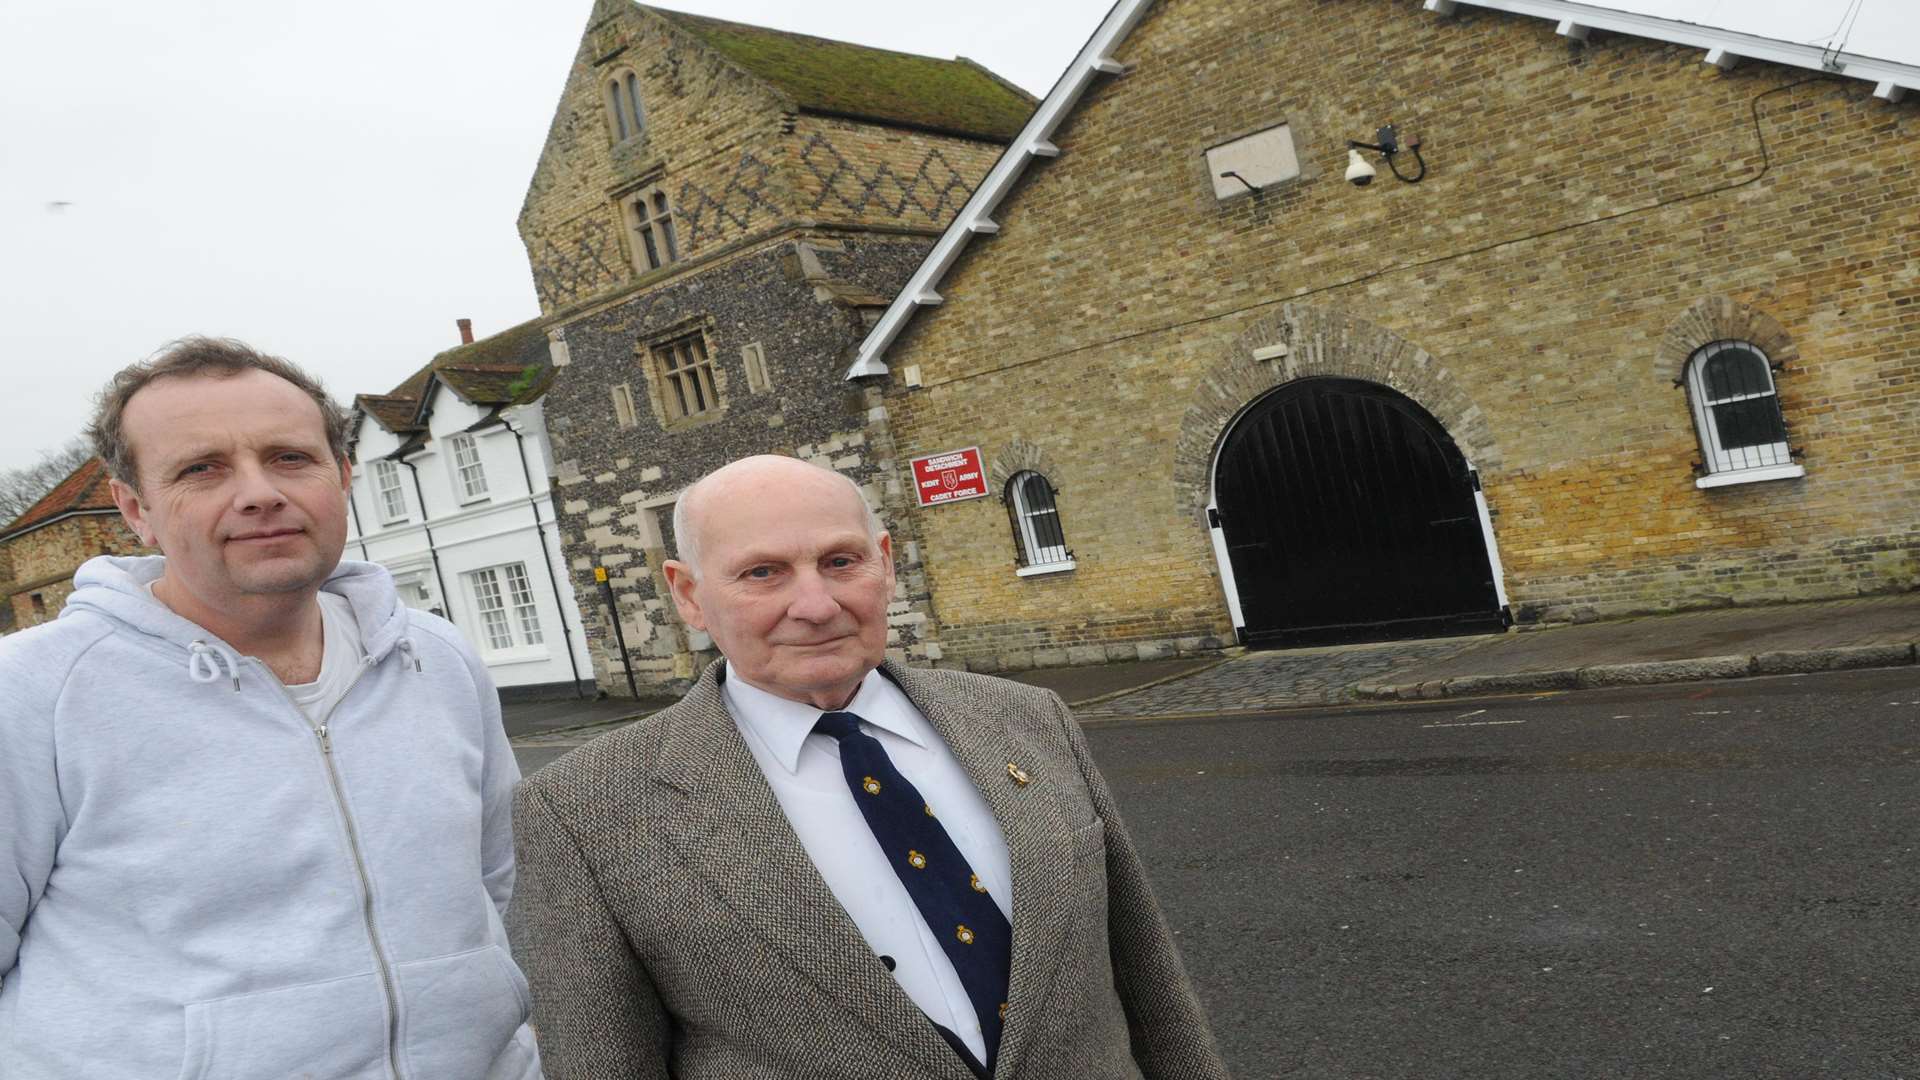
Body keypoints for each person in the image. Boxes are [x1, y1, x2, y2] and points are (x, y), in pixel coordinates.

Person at [511, 454, 1229, 1079]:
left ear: (884, 562)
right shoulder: (582, 810)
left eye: (840, 561)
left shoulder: (1028, 718)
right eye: (763, 573)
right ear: (690, 594)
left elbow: (1149, 978)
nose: (816, 605)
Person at [0, 338, 541, 1078]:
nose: (258, 493)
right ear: (136, 510)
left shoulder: (436, 658)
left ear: (342, 475)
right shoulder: (33, 691)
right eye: (202, 469)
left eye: (290, 457)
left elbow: (495, 881)